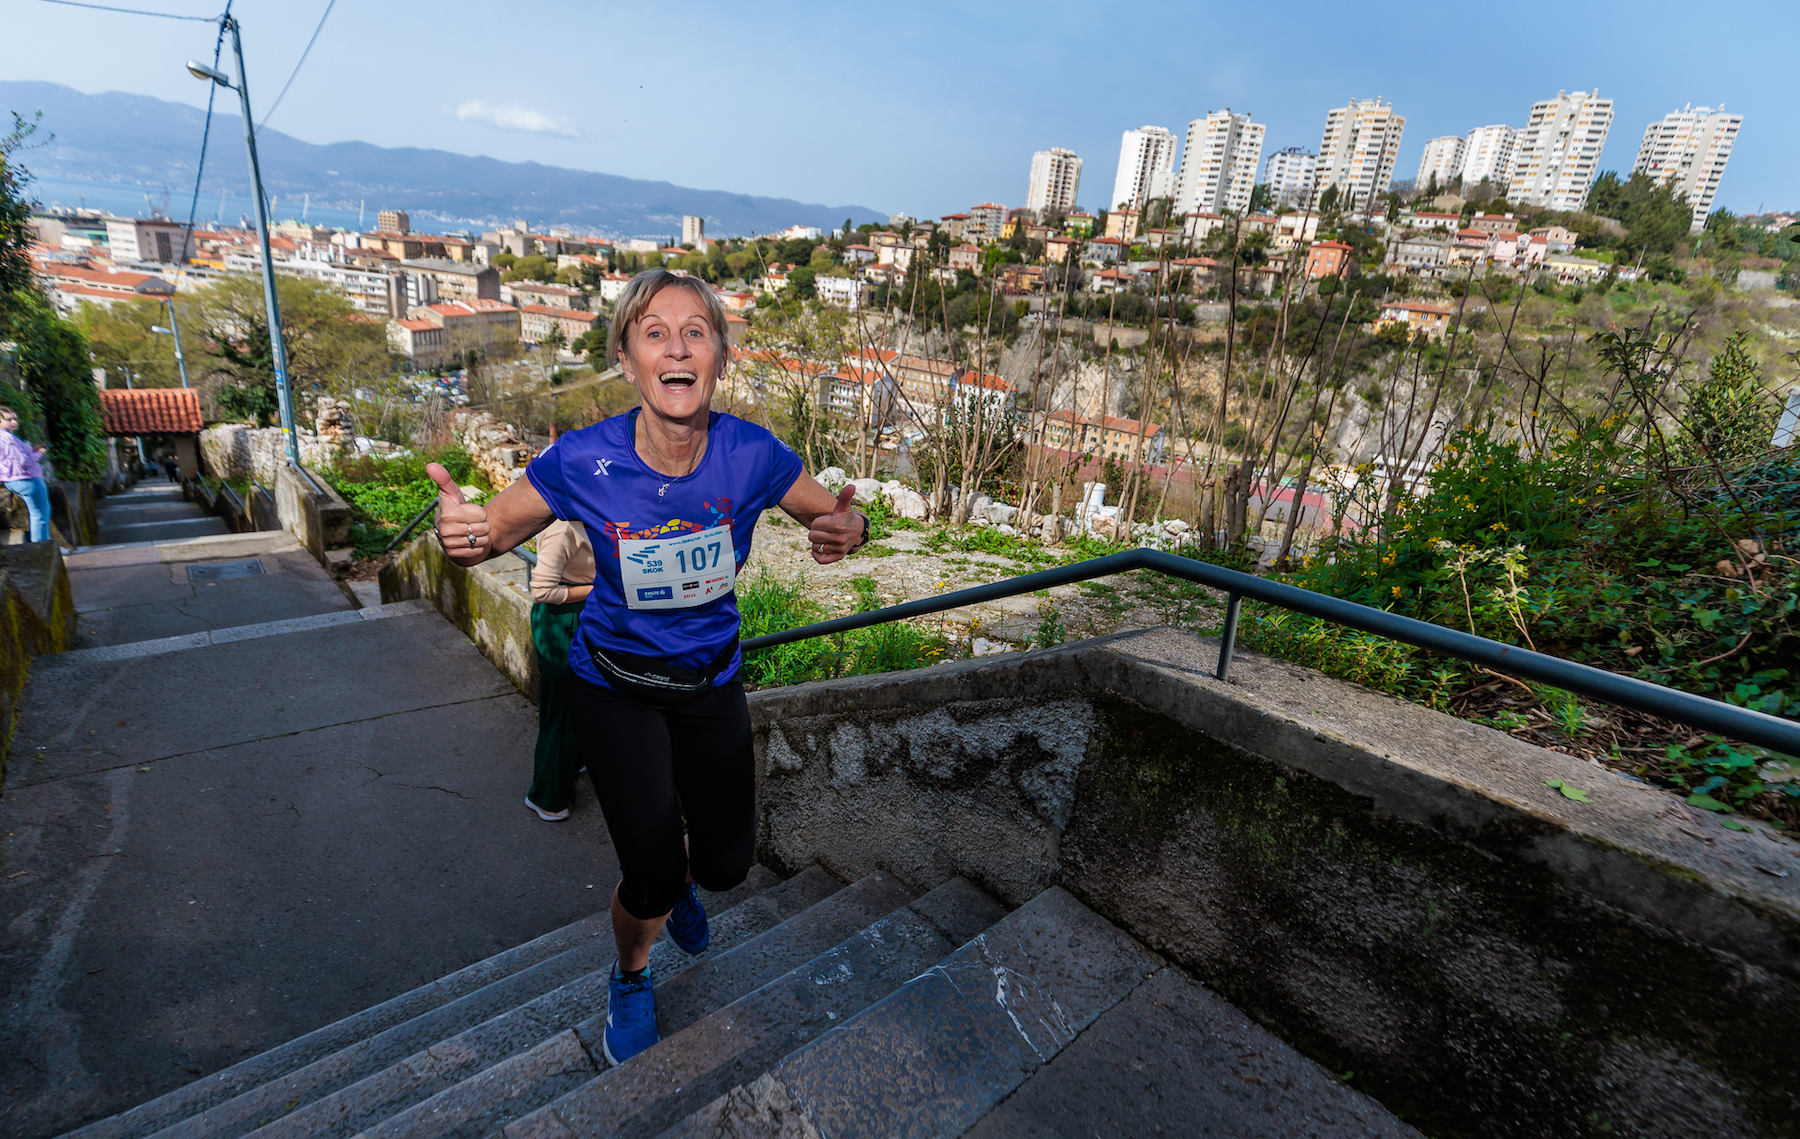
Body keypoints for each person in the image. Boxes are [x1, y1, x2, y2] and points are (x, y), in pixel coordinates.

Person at [425, 269, 869, 1066]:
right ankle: (631, 973)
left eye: (695, 330)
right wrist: (457, 532)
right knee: (652, 870)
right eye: (654, 331)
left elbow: (830, 510)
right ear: (627, 359)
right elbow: (487, 533)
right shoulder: (582, 459)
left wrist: (851, 525)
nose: (676, 345)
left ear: (720, 359)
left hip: (710, 685)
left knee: (729, 865)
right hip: (615, 686)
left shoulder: (750, 454)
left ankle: (685, 886)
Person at [525, 518, 594, 822]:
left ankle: (573, 760)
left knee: (579, 700)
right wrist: (598, 589)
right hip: (561, 619)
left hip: (583, 615)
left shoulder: (591, 513)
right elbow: (541, 591)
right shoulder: (561, 528)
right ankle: (545, 795)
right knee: (560, 707)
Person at [0, 406, 52, 544]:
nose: (14, 422)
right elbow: (23, 462)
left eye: (15, 418)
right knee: (40, 514)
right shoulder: (8, 438)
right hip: (26, 479)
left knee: (38, 513)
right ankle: (41, 545)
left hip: (11, 480)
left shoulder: (6, 437)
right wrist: (40, 453)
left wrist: (33, 450)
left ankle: (42, 544)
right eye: (9, 419)